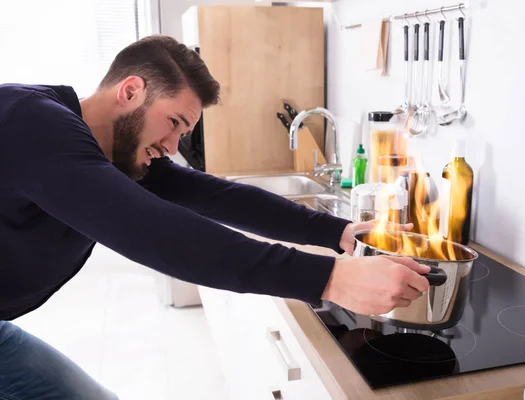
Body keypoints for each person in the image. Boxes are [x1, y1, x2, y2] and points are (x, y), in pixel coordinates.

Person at [0, 35, 430, 399]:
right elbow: (152, 231)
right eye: (172, 123)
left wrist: (339, 232)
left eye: (182, 134)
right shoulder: (32, 122)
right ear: (130, 91)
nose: (171, 147)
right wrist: (331, 278)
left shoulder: (115, 154)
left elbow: (218, 196)